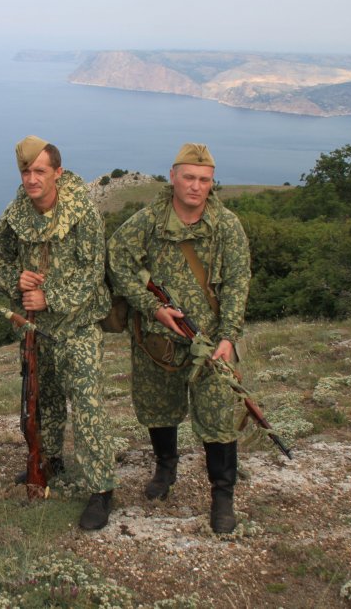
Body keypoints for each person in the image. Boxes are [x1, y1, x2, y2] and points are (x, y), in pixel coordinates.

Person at [107, 142, 251, 534]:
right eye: (188, 177)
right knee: (159, 408)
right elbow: (117, 261)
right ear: (173, 177)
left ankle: (223, 496)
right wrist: (151, 307)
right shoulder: (147, 222)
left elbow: (237, 282)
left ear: (212, 182)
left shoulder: (226, 226)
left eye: (204, 179)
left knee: (219, 418)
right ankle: (165, 468)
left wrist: (228, 336)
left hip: (212, 344)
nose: (196, 186)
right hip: (158, 342)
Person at [0, 135, 117, 530]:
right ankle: (49, 462)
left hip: (77, 326)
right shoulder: (15, 214)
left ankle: (101, 489)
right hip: (36, 329)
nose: (32, 179)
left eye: (40, 171)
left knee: (88, 406)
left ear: (58, 172)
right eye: (26, 172)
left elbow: (92, 273)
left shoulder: (83, 213)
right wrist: (16, 278)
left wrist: (50, 297)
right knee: (42, 401)